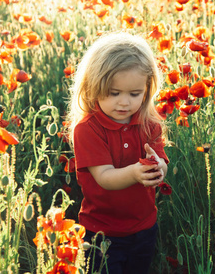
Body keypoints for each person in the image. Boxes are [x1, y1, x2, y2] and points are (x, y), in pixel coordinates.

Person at [66, 32, 169, 274]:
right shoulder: (87, 129)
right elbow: (104, 177)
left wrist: (158, 168)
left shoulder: (149, 123)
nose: (124, 102)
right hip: (101, 232)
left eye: (134, 94)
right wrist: (135, 173)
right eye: (115, 93)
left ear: (147, 89)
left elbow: (162, 162)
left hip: (144, 227)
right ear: (94, 86)